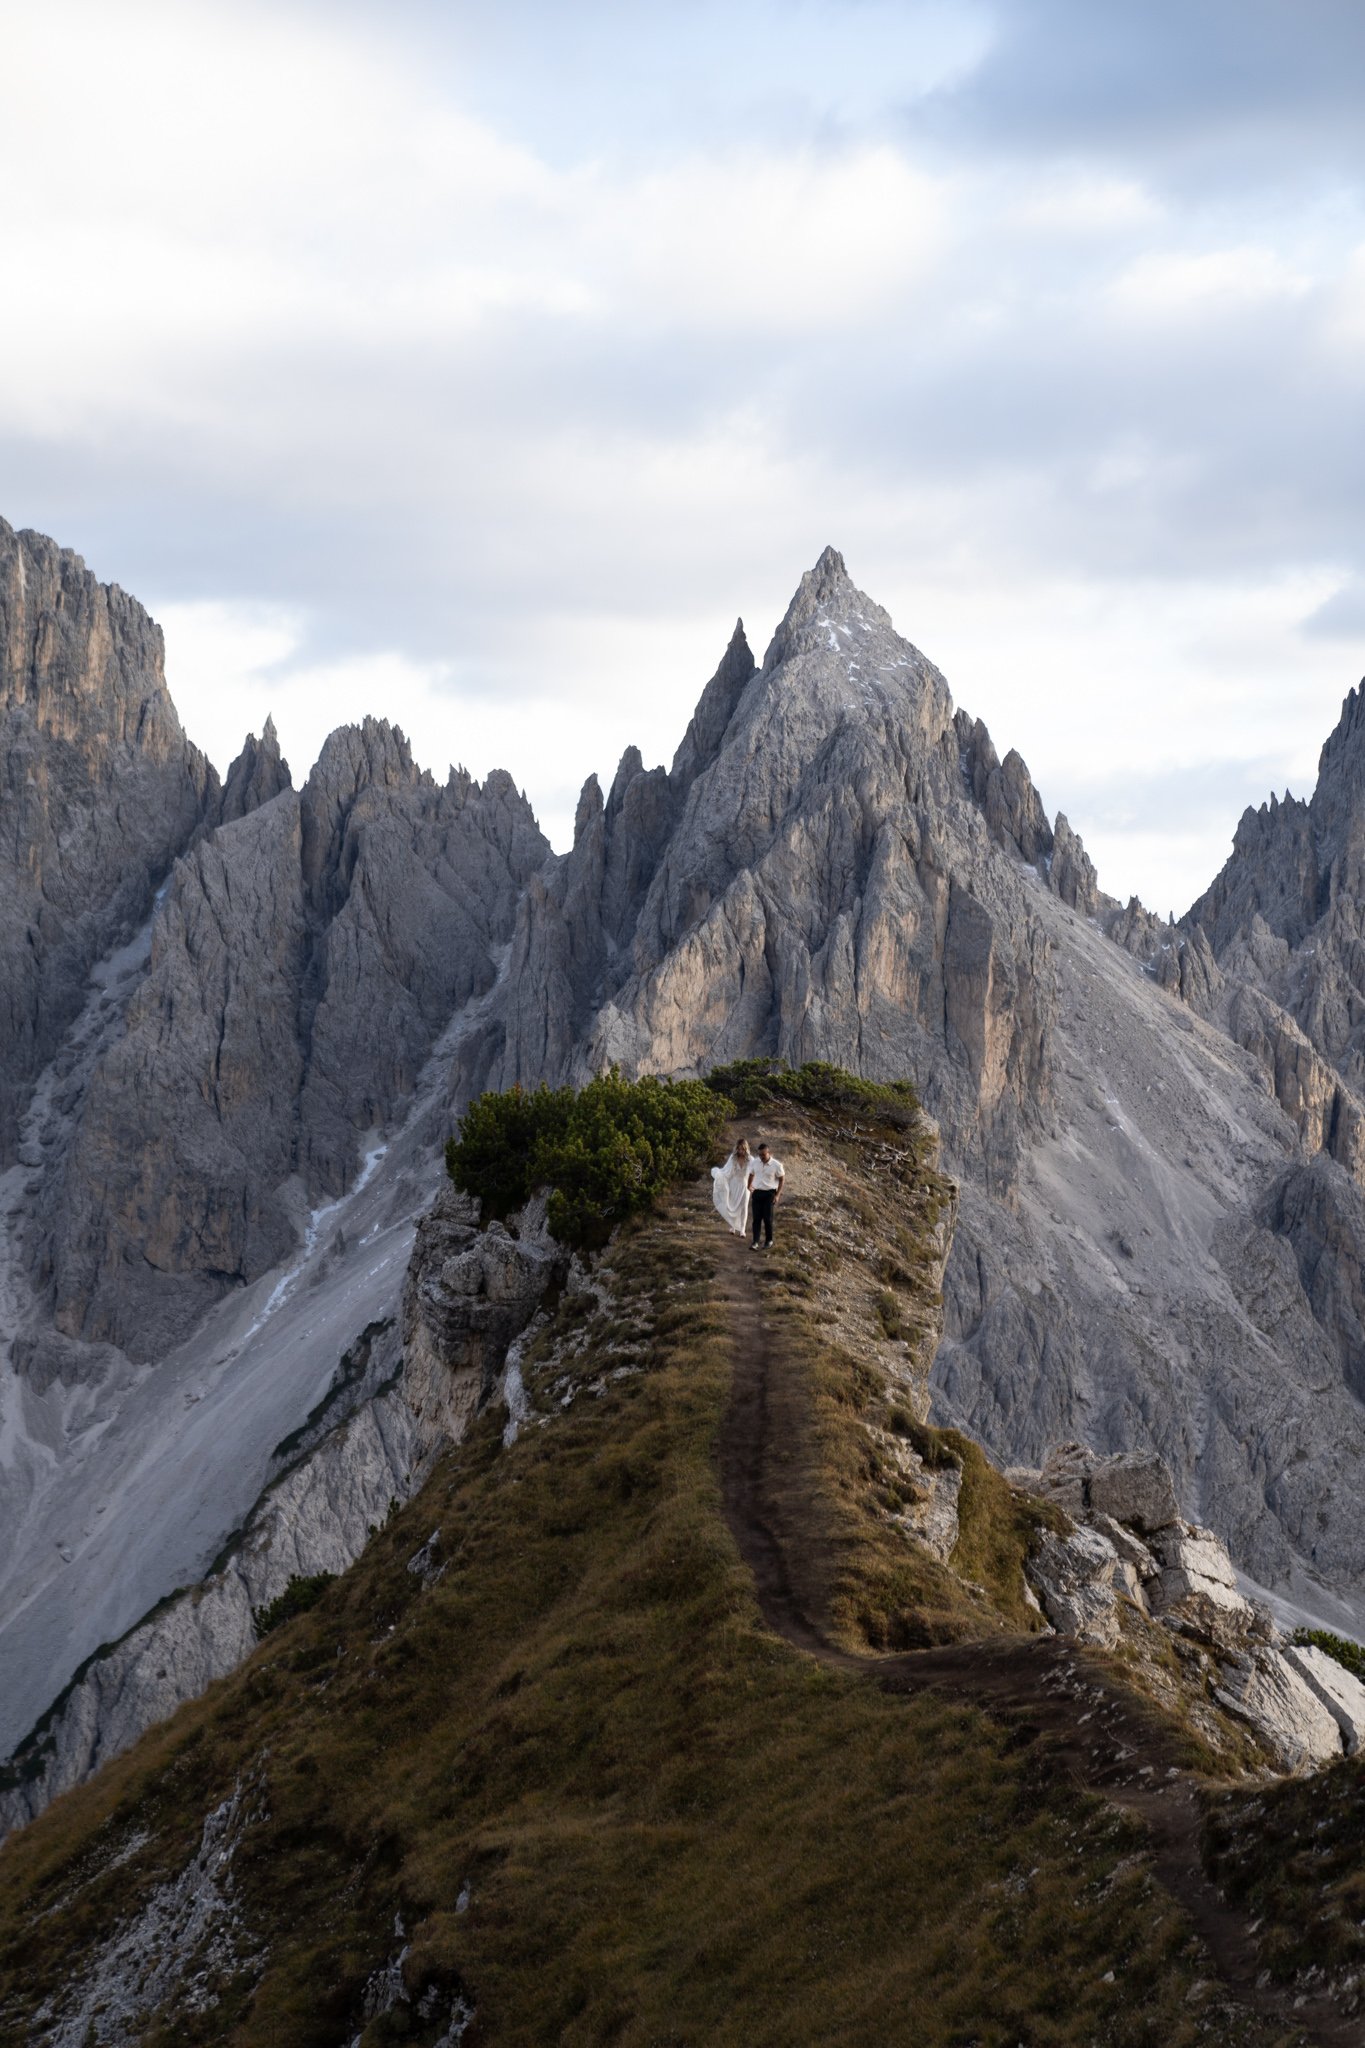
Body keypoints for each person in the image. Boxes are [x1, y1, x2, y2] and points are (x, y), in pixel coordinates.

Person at [747, 1141, 785, 1249]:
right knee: (756, 1219)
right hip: (757, 1192)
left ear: (769, 1153)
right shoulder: (755, 1162)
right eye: (759, 1154)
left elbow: (782, 1179)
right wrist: (749, 1185)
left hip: (769, 1193)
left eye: (763, 1154)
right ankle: (755, 1242)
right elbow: (751, 1173)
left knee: (768, 1219)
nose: (761, 1157)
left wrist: (777, 1195)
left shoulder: (777, 1165)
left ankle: (769, 1240)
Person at [710, 1138, 751, 1236]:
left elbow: (754, 1173)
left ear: (746, 1149)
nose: (741, 1151)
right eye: (739, 1149)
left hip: (745, 1185)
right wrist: (721, 1178)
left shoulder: (750, 1159)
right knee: (732, 1205)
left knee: (744, 1207)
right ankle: (733, 1226)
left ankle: (742, 1230)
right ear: (737, 1148)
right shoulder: (733, 1158)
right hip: (734, 1183)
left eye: (743, 1149)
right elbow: (726, 1171)